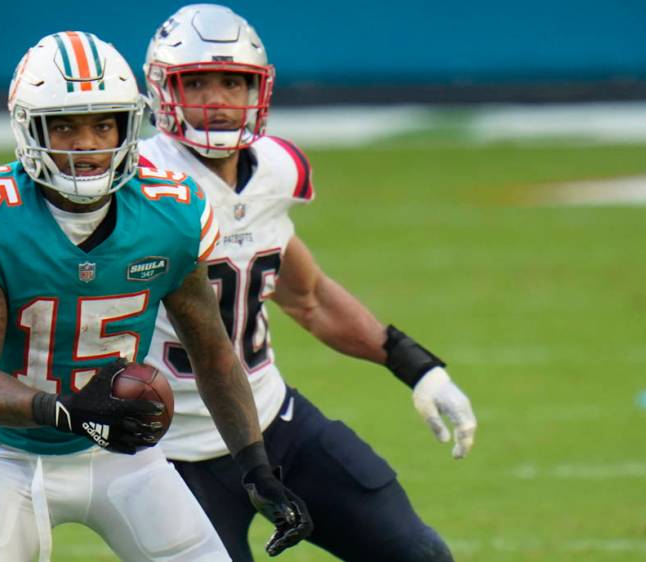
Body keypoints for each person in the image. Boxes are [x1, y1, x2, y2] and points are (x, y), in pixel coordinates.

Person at [0, 31, 311, 562]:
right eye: (65, 126)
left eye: (102, 123)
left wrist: (256, 466)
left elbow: (213, 352)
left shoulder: (169, 213)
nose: (86, 144)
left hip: (125, 457)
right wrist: (66, 411)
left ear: (129, 125)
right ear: (30, 128)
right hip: (8, 455)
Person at [139, 5, 478, 561]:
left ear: (260, 89)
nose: (218, 100)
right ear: (161, 89)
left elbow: (309, 296)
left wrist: (416, 366)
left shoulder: (277, 169)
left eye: (234, 82)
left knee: (418, 554)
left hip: (272, 421)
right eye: (196, 82)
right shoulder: (135, 187)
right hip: (169, 454)